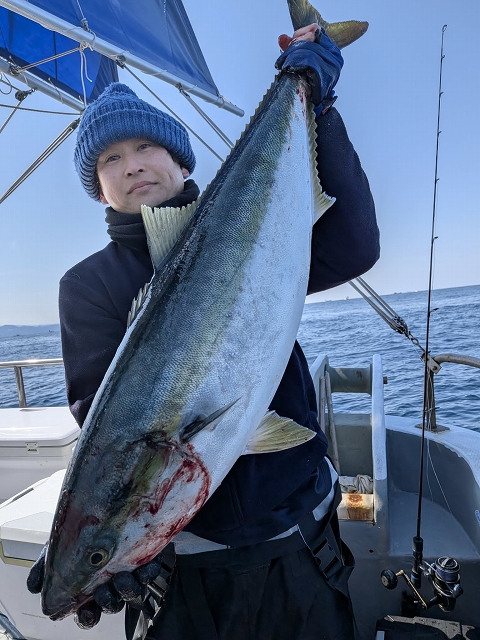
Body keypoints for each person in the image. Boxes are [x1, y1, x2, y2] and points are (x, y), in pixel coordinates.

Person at [28, 23, 379, 640]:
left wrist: (317, 105)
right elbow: (106, 426)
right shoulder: (88, 286)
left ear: (179, 158)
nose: (133, 165)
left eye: (145, 146)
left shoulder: (261, 222)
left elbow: (354, 246)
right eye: (110, 159)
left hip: (299, 543)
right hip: (182, 577)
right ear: (99, 190)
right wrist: (103, 549)